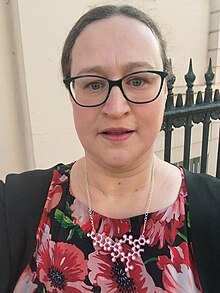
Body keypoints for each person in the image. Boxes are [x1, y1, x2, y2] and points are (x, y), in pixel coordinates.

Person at [0, 4, 220, 293]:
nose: (116, 108)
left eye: (138, 80)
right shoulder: (14, 209)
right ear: (72, 94)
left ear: (165, 90)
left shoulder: (214, 214)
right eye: (93, 85)